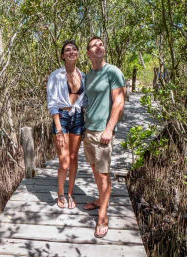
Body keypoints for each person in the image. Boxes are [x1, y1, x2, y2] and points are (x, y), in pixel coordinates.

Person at [83, 36, 125, 238]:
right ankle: (101, 199)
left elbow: (119, 101)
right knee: (95, 170)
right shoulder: (89, 75)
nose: (98, 46)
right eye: (94, 45)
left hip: (102, 132)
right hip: (88, 130)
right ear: (89, 54)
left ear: (104, 50)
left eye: (101, 44)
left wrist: (109, 129)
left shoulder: (113, 71)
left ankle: (103, 215)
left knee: (103, 174)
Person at [46, 40, 85, 209]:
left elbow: (87, 100)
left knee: (74, 157)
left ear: (78, 53)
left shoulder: (83, 76)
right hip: (61, 117)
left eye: (74, 49)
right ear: (63, 55)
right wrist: (59, 129)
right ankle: (60, 193)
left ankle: (70, 194)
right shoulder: (56, 75)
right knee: (64, 160)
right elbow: (52, 103)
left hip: (77, 117)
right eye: (67, 50)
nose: (71, 52)